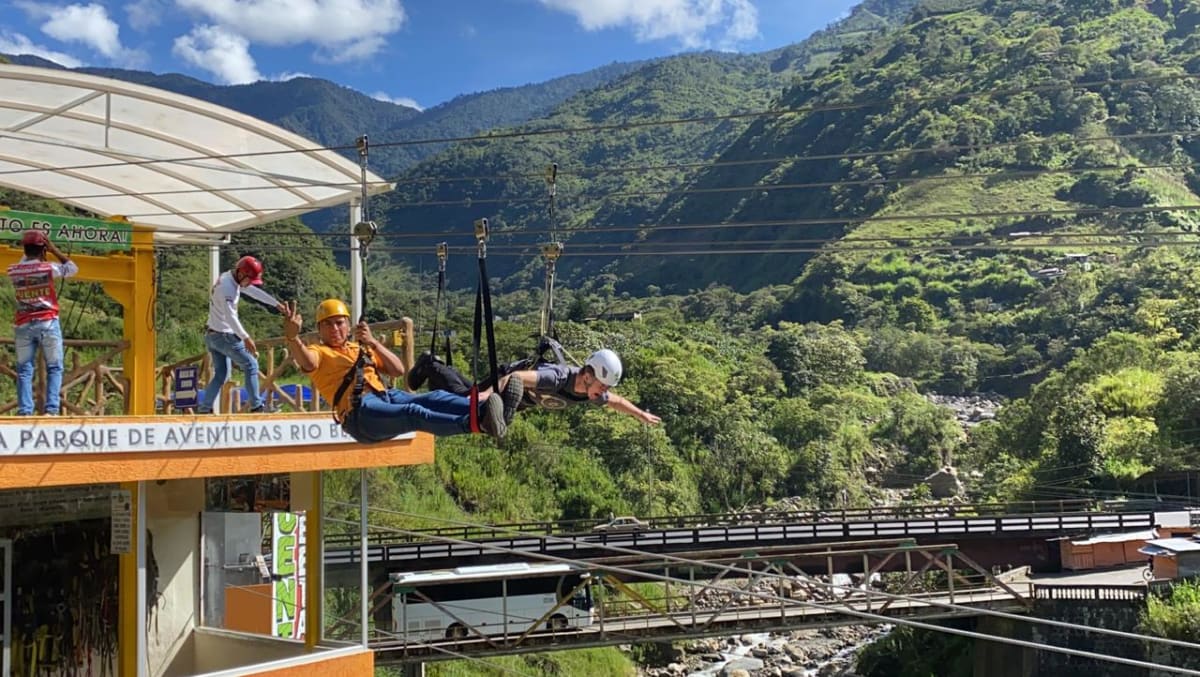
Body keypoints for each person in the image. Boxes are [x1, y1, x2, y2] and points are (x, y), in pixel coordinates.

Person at [282, 299, 510, 443]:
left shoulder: (358, 347)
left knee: (434, 398)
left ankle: (486, 410)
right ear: (319, 329)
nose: (335, 329)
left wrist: (373, 343)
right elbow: (307, 360)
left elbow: (398, 370)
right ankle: (476, 424)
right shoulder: (319, 352)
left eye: (340, 323)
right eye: (328, 324)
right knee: (413, 413)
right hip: (360, 414)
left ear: (348, 324)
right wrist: (293, 337)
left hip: (385, 396)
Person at [408, 347, 661, 426]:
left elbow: (616, 402)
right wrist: (487, 394)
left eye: (605, 388)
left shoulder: (593, 393)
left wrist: (640, 415)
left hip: (516, 400)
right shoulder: (557, 378)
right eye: (602, 386)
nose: (603, 393)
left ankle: (435, 365)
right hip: (508, 381)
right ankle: (430, 365)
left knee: (470, 396)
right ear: (587, 375)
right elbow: (515, 377)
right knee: (470, 401)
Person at [197, 255, 283, 414]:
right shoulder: (227, 289)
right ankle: (257, 406)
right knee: (251, 365)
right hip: (224, 336)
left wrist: (276, 304)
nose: (250, 284)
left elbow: (254, 292)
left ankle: (204, 409)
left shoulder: (230, 278)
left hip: (212, 336)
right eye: (249, 280)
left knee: (221, 374)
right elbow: (231, 317)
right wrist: (246, 337)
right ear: (241, 274)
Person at [6, 230, 78, 416]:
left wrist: (35, 250)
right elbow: (72, 268)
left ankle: (25, 411)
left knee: (24, 369)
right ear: (43, 249)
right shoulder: (48, 268)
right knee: (54, 367)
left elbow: (26, 261)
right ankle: (51, 410)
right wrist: (53, 250)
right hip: (47, 322)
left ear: (24, 248)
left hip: (23, 324)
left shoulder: (13, 270)